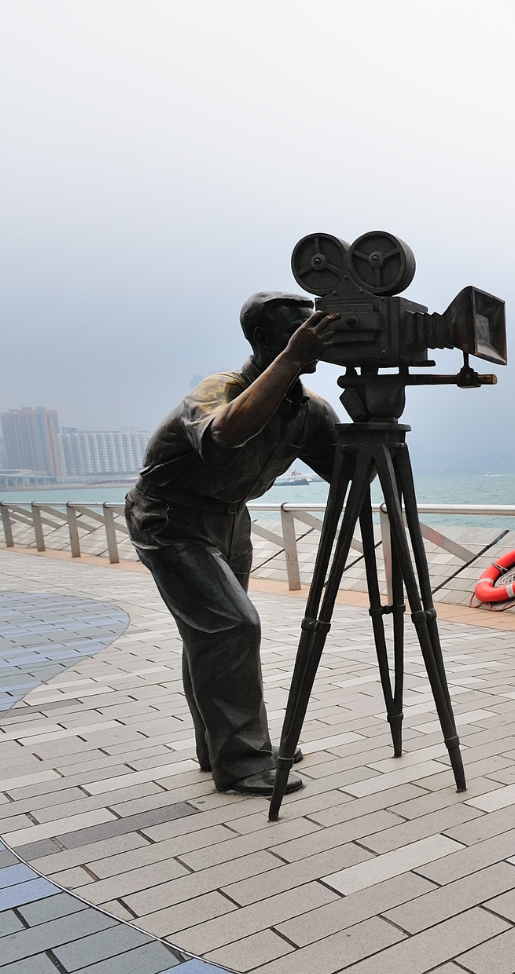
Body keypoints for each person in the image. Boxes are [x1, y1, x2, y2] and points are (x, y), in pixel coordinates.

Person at [128, 292, 340, 795]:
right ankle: (243, 760)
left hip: (230, 518)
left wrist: (371, 407)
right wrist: (290, 360)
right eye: (296, 333)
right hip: (170, 517)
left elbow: (348, 472)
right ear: (263, 339)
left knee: (211, 635)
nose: (311, 340)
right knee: (232, 627)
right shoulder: (220, 388)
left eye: (313, 331)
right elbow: (224, 434)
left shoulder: (307, 410)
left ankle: (223, 743)